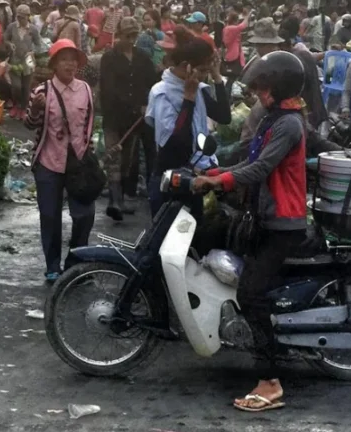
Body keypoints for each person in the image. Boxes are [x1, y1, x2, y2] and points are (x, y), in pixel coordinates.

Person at [191, 51, 307, 414]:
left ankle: (270, 382)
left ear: (280, 86)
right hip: (265, 217)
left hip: (283, 222)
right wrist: (214, 171)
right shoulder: (274, 118)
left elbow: (260, 169)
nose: (257, 92)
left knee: (251, 293)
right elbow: (250, 160)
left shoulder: (289, 124)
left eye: (263, 86)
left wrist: (218, 182)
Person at [23, 40, 96, 282]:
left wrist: (89, 157)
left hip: (78, 163)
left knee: (84, 215)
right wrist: (36, 110)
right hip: (49, 162)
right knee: (50, 216)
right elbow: (30, 124)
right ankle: (53, 266)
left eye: (73, 60)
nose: (70, 64)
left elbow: (88, 127)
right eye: (64, 59)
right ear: (54, 64)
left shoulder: (85, 90)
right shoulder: (41, 91)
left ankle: (76, 263)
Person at [147, 38, 232, 215]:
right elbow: (177, 143)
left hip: (194, 175)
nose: (204, 75)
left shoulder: (198, 88)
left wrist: (217, 78)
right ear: (186, 66)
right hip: (170, 176)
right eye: (202, 70)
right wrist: (188, 99)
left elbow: (224, 117)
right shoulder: (162, 93)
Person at [100, 17, 157, 221]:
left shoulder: (142, 57)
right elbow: (108, 89)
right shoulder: (109, 58)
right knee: (113, 157)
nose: (131, 40)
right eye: (127, 36)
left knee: (128, 160)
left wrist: (147, 103)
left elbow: (152, 82)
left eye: (134, 36)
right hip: (114, 116)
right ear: (119, 35)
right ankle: (114, 201)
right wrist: (133, 105)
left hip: (134, 119)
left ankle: (122, 198)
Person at [3, 5, 42, 119]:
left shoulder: (33, 29)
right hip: (14, 60)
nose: (20, 19)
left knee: (26, 86)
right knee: (16, 86)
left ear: (28, 17)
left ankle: (23, 108)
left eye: (22, 17)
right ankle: (17, 104)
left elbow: (39, 45)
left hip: (28, 61)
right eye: (18, 17)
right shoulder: (12, 27)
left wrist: (32, 52)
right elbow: (5, 39)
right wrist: (9, 44)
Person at [221, 6, 250, 81]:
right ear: (235, 20)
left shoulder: (226, 28)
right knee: (233, 76)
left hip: (230, 53)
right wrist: (246, 16)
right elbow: (243, 26)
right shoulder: (232, 29)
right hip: (235, 54)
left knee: (232, 77)